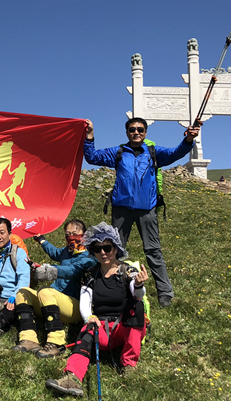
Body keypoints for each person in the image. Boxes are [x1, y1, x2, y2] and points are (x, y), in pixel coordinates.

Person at [83, 117, 199, 307]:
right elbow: (92, 157)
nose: (136, 132)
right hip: (121, 209)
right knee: (112, 250)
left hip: (147, 209)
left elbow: (176, 153)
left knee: (153, 250)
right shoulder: (118, 152)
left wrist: (188, 139)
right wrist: (89, 136)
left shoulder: (153, 152)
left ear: (145, 132)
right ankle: (107, 288)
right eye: (132, 130)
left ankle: (165, 292)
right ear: (127, 132)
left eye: (140, 130)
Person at [45, 223, 148, 397]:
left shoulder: (128, 271)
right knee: (86, 332)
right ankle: (73, 377)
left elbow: (137, 295)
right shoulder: (90, 274)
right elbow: (85, 301)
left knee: (136, 307)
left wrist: (138, 284)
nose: (103, 253)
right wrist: (89, 318)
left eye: (107, 248)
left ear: (116, 249)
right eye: (97, 249)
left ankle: (129, 364)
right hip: (101, 328)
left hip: (125, 328)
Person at [11, 219, 96, 358]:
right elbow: (55, 252)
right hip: (53, 299)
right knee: (23, 292)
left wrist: (50, 270)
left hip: (75, 305)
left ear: (84, 234)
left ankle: (56, 342)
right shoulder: (67, 251)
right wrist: (42, 241)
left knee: (45, 291)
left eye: (75, 233)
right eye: (67, 234)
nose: (71, 237)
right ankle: (28, 339)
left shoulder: (90, 256)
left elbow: (72, 270)